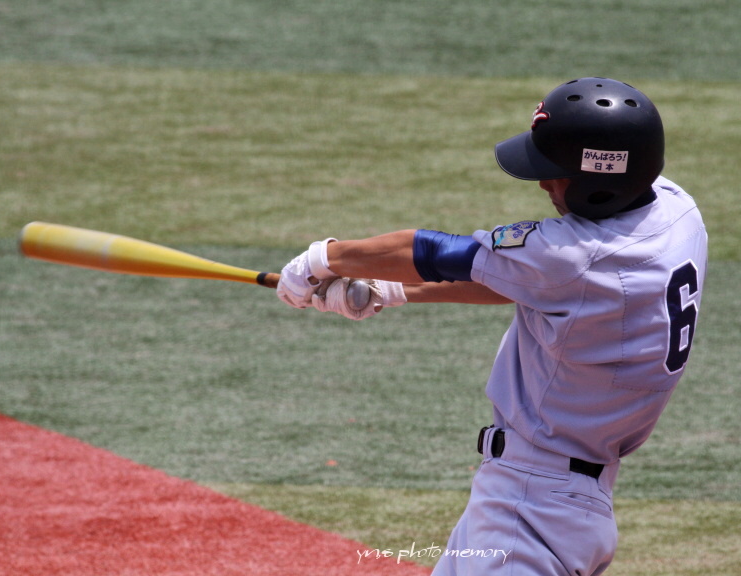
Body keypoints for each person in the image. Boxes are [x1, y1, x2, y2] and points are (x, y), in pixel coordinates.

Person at [276, 77, 708, 576]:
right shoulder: (676, 212)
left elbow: (433, 252)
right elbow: (528, 280)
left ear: (599, 185)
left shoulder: (575, 257)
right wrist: (391, 290)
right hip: (555, 499)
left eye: (557, 173)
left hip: (532, 510)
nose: (545, 183)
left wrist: (322, 258)